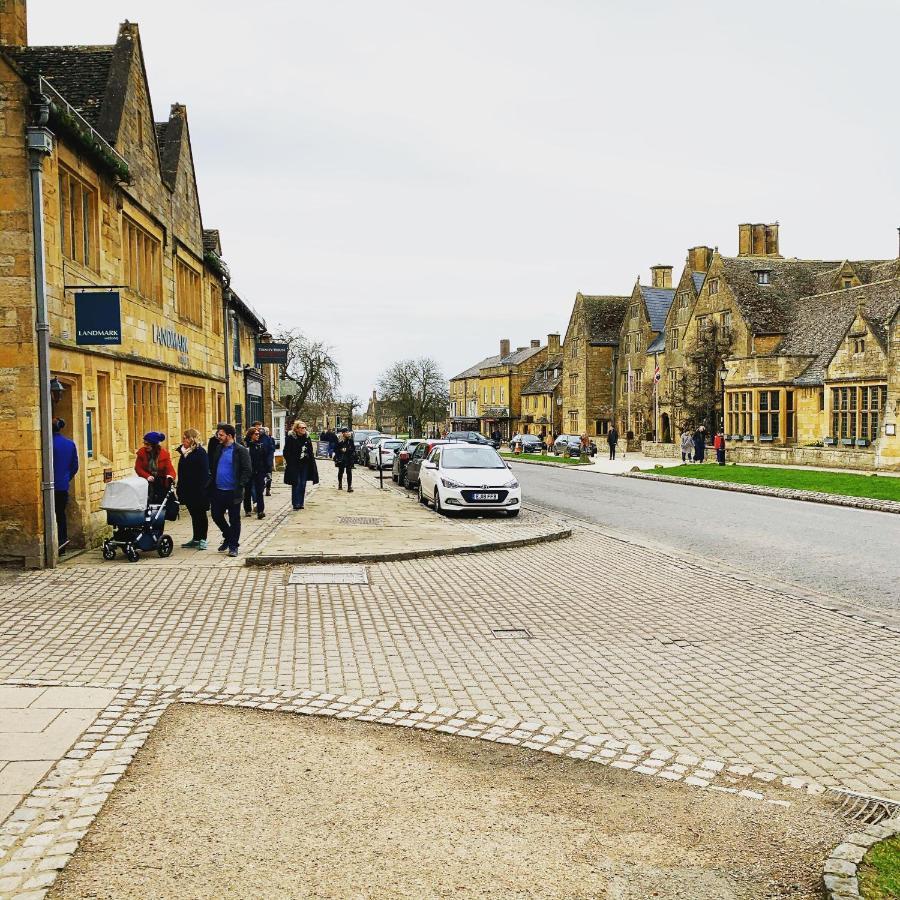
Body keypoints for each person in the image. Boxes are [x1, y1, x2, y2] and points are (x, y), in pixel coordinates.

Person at [208, 423, 252, 557]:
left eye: (221, 435)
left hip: (233, 491)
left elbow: (247, 470)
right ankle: (228, 536)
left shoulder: (240, 450)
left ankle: (233, 546)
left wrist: (240, 484)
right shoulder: (218, 449)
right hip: (218, 490)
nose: (218, 437)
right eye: (218, 434)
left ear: (229, 436)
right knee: (216, 515)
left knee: (234, 519)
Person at [175, 428, 210, 550]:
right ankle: (196, 538)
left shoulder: (200, 452)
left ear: (191, 439)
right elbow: (181, 472)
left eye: (185, 438)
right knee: (193, 514)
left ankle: (203, 539)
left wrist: (203, 489)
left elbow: (205, 473)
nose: (183, 440)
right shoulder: (184, 453)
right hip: (187, 489)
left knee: (200, 514)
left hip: (199, 490)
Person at [52, 418, 78, 554]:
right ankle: (62, 544)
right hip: (62, 486)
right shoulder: (69, 444)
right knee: (60, 515)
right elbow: (74, 466)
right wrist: (66, 478)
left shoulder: (46, 443)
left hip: (47, 486)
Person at [283, 420, 319, 510]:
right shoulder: (291, 438)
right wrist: (290, 462)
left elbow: (310, 451)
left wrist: (311, 460)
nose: (304, 429)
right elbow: (286, 452)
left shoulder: (307, 438)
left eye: (305, 428)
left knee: (303, 483)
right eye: (302, 428)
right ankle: (295, 503)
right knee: (296, 483)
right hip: (295, 465)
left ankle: (301, 502)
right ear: (297, 429)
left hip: (305, 464)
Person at [135, 431, 176, 503]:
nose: (145, 446)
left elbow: (170, 469)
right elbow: (138, 468)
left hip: (160, 483)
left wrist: (170, 477)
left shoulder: (164, 454)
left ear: (154, 445)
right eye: (144, 443)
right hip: (146, 482)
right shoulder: (141, 452)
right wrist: (147, 476)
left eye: (147, 444)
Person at [244, 425, 273, 519]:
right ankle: (247, 509)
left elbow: (265, 458)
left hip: (259, 471)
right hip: (248, 471)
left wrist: (268, 470)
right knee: (247, 491)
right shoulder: (246, 446)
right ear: (251, 435)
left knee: (259, 491)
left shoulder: (260, 445)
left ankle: (260, 511)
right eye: (256, 434)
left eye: (258, 434)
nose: (258, 435)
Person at [333, 426, 355, 492]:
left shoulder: (350, 440)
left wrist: (347, 450)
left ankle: (349, 487)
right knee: (341, 472)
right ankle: (340, 484)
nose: (348, 433)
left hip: (348, 458)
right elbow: (335, 449)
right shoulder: (339, 441)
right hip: (341, 458)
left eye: (348, 432)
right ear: (342, 433)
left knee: (349, 472)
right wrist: (341, 450)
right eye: (346, 432)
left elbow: (353, 449)